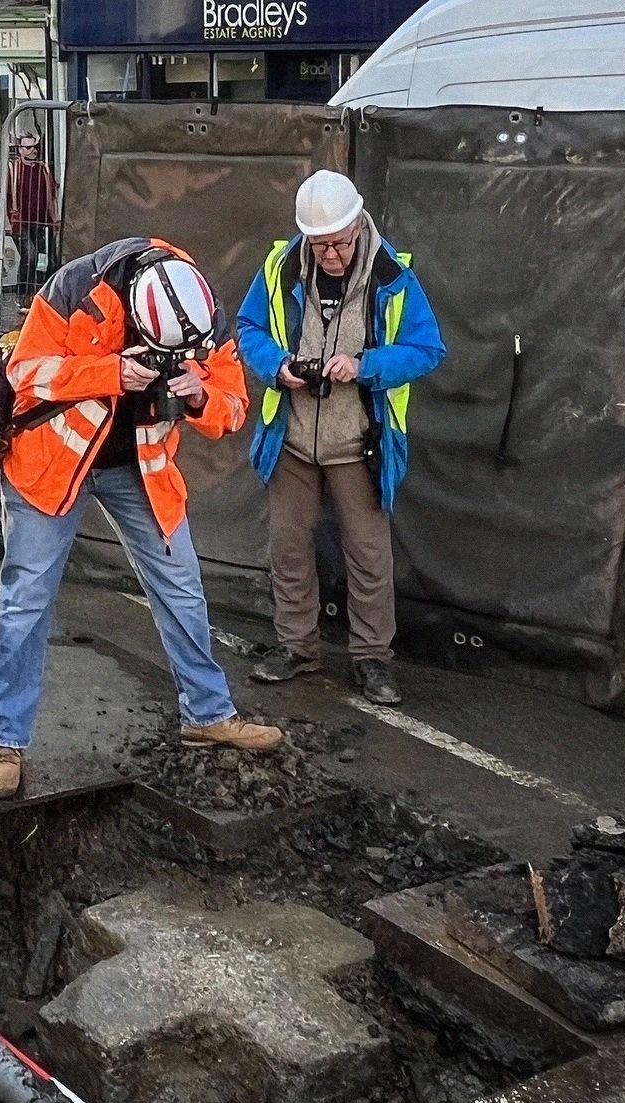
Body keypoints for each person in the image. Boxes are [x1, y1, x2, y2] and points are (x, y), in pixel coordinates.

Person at [0, 238, 285, 801]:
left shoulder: (199, 306)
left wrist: (199, 396)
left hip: (139, 470)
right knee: (26, 598)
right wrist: (109, 372)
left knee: (182, 586)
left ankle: (208, 714)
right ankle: (7, 741)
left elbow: (233, 404)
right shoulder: (77, 287)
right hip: (50, 464)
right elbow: (25, 374)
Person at [236, 171, 445, 705]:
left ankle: (373, 660)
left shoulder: (393, 277)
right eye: (321, 245)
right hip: (292, 440)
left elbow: (427, 349)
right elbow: (249, 328)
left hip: (359, 443)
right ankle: (297, 648)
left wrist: (367, 365)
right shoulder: (280, 267)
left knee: (369, 556)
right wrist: (277, 367)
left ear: (358, 225)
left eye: (340, 243)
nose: (331, 256)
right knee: (287, 547)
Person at [5, 132, 58, 296]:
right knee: (30, 257)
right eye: (28, 147)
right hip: (20, 222)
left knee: (47, 259)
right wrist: (6, 222)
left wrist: (55, 218)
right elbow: (4, 196)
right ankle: (23, 295)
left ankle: (37, 294)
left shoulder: (44, 169)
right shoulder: (13, 169)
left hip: (42, 222)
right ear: (20, 150)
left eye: (34, 147)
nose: (32, 151)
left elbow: (52, 195)